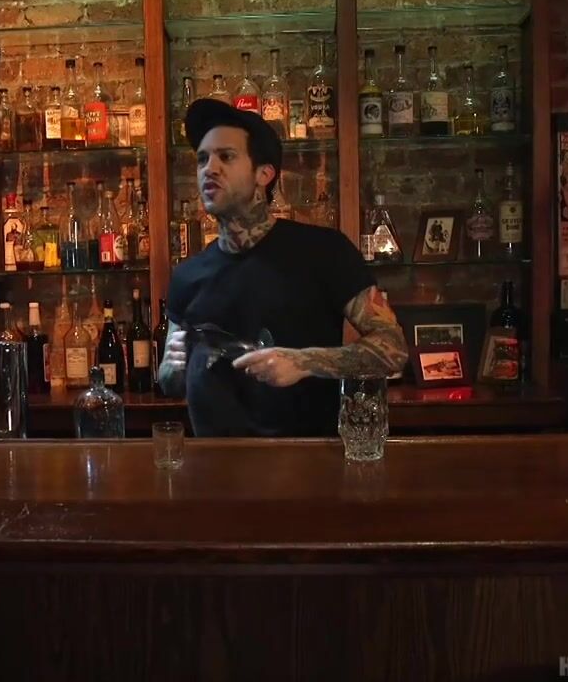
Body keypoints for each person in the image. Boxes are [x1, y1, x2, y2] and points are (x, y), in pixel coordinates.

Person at [158, 99, 408, 436]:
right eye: (202, 159)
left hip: (304, 461)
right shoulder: (187, 276)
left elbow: (393, 349)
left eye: (226, 157)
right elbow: (169, 380)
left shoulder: (324, 251)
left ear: (264, 174)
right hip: (211, 464)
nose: (209, 168)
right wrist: (174, 368)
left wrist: (304, 362)